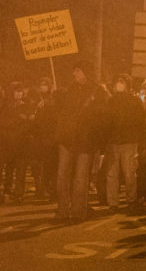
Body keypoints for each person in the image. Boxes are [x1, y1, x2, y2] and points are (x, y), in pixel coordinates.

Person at [54, 61, 98, 222]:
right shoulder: (69, 90)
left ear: (85, 72)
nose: (74, 74)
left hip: (85, 141)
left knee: (80, 178)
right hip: (67, 139)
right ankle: (63, 209)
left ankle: (78, 212)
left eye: (77, 71)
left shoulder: (97, 91)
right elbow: (62, 112)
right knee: (62, 176)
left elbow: (101, 117)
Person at [104, 73, 146, 213]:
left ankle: (131, 200)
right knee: (112, 174)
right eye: (117, 81)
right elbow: (105, 120)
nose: (119, 84)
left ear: (127, 85)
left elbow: (141, 121)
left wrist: (139, 141)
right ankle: (113, 203)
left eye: (122, 82)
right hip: (113, 142)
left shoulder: (134, 101)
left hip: (129, 142)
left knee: (129, 173)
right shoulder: (111, 101)